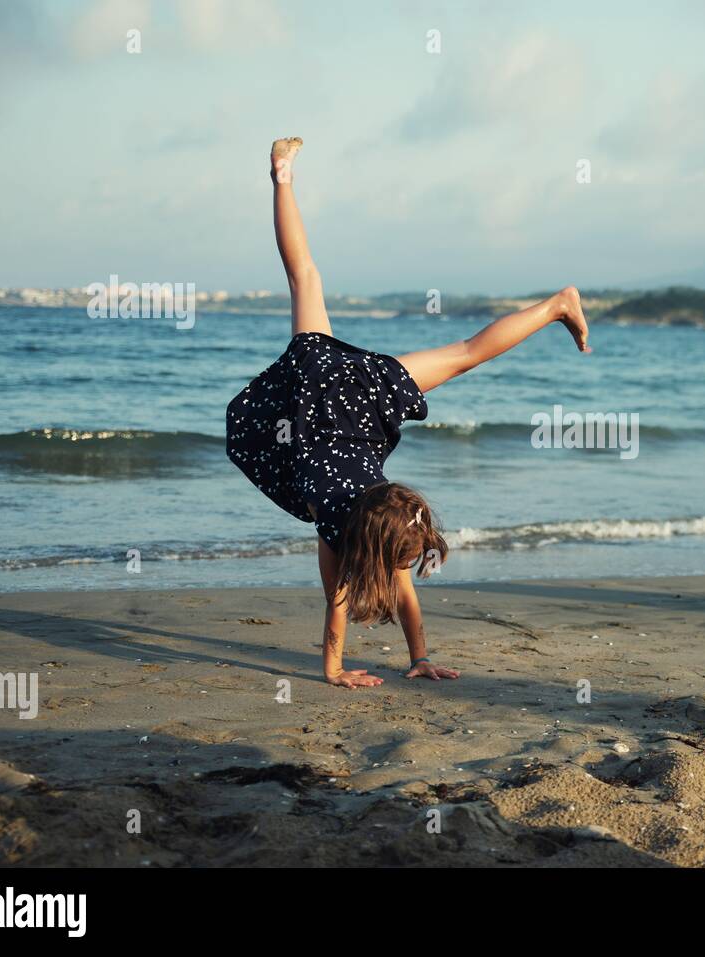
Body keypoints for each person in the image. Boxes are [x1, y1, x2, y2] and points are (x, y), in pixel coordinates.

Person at [227, 137, 590, 689]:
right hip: (328, 390)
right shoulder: (337, 523)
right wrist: (344, 670)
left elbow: (341, 605)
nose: (407, 571)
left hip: (355, 398)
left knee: (449, 345)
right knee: (307, 279)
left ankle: (282, 176)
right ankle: (281, 177)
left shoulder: (371, 519)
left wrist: (387, 662)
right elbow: (338, 605)